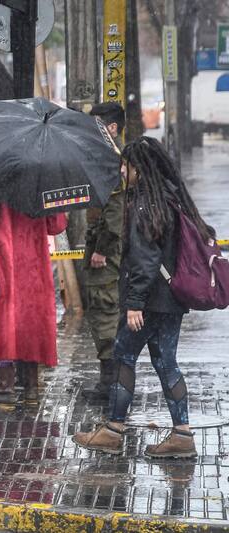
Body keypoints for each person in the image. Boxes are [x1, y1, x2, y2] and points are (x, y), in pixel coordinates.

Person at [73, 137, 213, 458]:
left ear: (139, 168)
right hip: (171, 299)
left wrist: (134, 302)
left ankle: (113, 430)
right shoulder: (170, 197)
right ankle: (182, 434)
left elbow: (146, 257)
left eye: (127, 165)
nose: (123, 170)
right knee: (166, 363)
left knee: (123, 355)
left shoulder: (145, 203)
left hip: (149, 301)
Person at [0, 194, 68, 406]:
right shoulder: (45, 181)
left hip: (3, 260)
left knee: (3, 319)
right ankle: (31, 388)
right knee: (31, 319)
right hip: (35, 265)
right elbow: (56, 224)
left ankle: (5, 388)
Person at [82, 102, 126, 400]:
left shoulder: (114, 160)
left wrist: (101, 250)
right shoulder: (110, 158)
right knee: (104, 310)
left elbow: (115, 214)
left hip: (108, 255)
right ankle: (110, 381)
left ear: (111, 128)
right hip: (108, 249)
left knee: (105, 310)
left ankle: (111, 384)